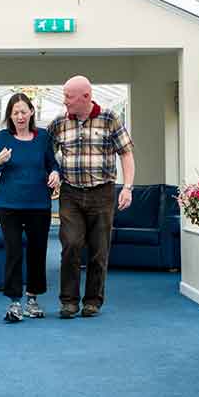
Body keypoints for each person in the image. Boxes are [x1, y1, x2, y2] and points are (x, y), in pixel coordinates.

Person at [47, 75, 135, 319]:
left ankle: (93, 300)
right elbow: (46, 153)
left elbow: (126, 153)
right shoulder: (59, 122)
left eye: (68, 97)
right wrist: (53, 171)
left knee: (99, 250)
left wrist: (127, 187)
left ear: (86, 96)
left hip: (102, 193)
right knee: (71, 245)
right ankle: (69, 301)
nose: (64, 101)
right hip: (71, 193)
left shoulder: (109, 118)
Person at [0, 93, 60, 323]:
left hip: (39, 204)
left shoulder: (43, 137)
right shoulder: (2, 137)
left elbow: (52, 164)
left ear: (31, 113)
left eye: (23, 111)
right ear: (10, 115)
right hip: (9, 205)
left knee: (37, 252)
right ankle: (14, 303)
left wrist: (56, 173)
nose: (19, 116)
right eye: (15, 112)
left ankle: (33, 299)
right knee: (14, 252)